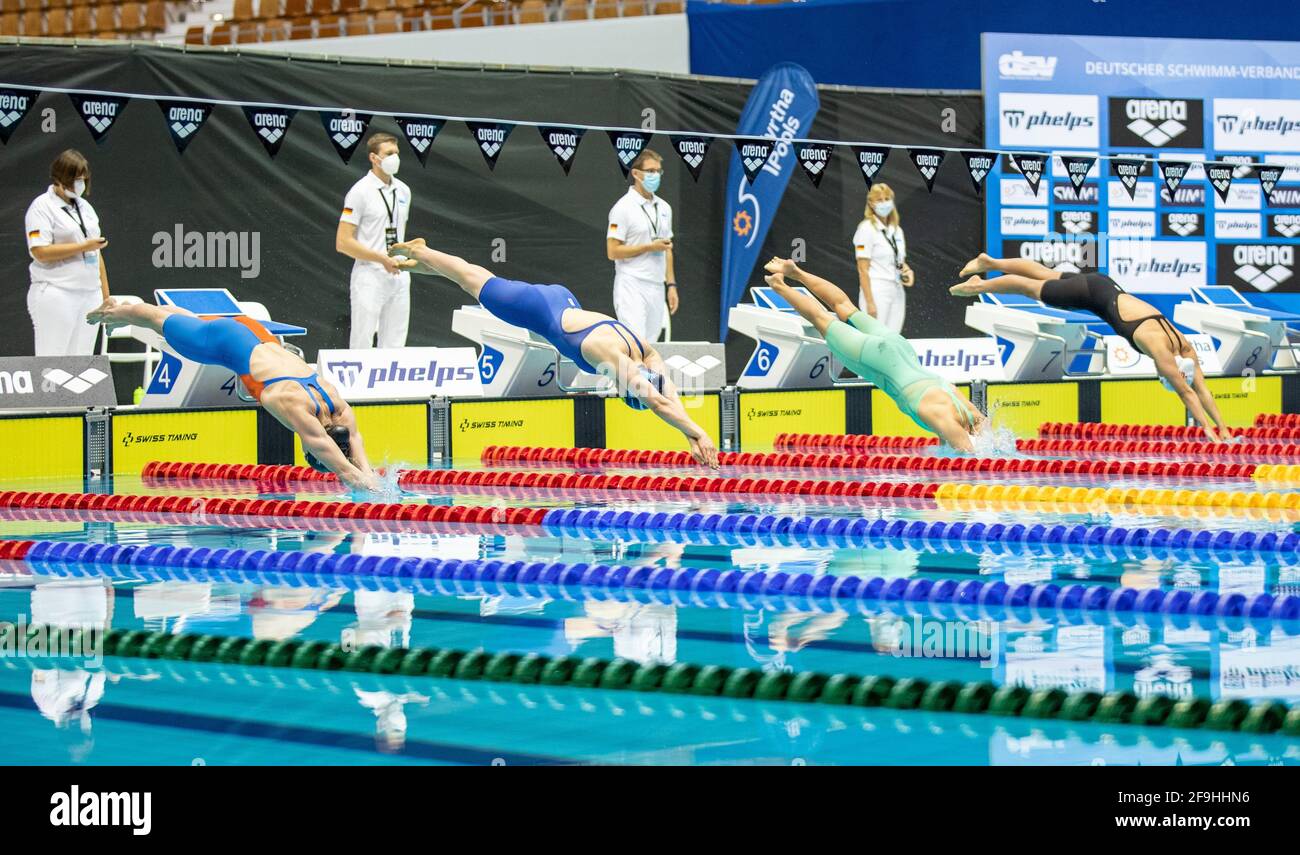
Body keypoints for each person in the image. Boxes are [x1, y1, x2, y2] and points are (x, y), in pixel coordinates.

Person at [387, 238, 719, 468]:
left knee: (471, 280)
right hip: (539, 309)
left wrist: (690, 430)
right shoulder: (609, 356)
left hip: (563, 300)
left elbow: (664, 390)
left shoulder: (644, 352)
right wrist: (696, 432)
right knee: (474, 279)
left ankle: (416, 264)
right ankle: (423, 250)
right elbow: (658, 399)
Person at [85, 299, 380, 489]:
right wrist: (369, 488)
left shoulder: (335, 400)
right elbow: (338, 462)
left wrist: (369, 475)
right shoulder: (292, 405)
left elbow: (353, 440)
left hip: (255, 332)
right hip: (227, 342)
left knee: (191, 324)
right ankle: (117, 309)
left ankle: (130, 311)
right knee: (154, 320)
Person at [950, 253, 1228, 441]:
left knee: (1045, 274)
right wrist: (1210, 433)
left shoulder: (1184, 345)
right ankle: (980, 286)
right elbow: (1188, 393)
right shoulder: (1161, 350)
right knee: (1029, 288)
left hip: (1104, 284)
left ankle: (990, 260)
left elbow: (1200, 388)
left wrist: (1224, 430)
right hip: (1091, 294)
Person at [762, 256, 984, 451]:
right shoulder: (947, 417)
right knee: (821, 319)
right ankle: (779, 284)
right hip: (878, 360)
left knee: (844, 305)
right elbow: (967, 458)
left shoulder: (968, 412)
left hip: (899, 348)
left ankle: (796, 272)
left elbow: (979, 438)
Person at [25, 149, 110, 356]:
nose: (79, 184)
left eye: (83, 179)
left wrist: (105, 296)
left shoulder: (86, 207)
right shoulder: (41, 207)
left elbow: (96, 252)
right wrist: (83, 247)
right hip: (57, 292)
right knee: (52, 362)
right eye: (75, 179)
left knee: (82, 361)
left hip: (90, 294)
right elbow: (40, 252)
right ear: (60, 178)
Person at [336, 133, 413, 349]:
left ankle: (391, 383)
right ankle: (358, 383)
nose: (395, 158)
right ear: (374, 158)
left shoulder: (404, 191)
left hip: (399, 274)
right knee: (362, 341)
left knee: (395, 343)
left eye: (396, 153)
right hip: (370, 275)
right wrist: (380, 258)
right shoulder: (360, 192)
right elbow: (343, 242)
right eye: (389, 153)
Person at [606, 149, 678, 343]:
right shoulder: (623, 208)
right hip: (632, 284)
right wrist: (648, 247)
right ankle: (630, 374)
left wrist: (671, 285)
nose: (655, 175)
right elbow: (612, 252)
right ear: (636, 173)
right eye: (651, 171)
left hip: (656, 285)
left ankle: (651, 375)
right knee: (636, 343)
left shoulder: (664, 208)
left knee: (653, 345)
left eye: (658, 171)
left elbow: (667, 249)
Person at [852, 182, 914, 333]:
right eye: (879, 200)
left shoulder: (896, 230)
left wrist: (907, 271)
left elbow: (898, 261)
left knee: (893, 337)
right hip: (877, 289)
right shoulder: (866, 229)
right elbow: (862, 270)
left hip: (897, 289)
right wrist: (870, 302)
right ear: (871, 204)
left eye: (887, 199)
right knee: (876, 338)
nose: (884, 203)